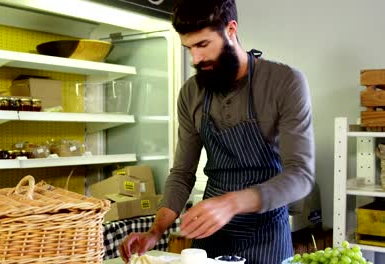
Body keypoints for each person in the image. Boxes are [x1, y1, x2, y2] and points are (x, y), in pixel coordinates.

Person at [119, 0, 315, 263]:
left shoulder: (284, 82)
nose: (195, 59)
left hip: (267, 235)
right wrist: (155, 232)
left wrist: (231, 203)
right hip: (209, 238)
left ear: (231, 29)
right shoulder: (191, 93)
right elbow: (182, 174)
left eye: (203, 45)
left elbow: (300, 174)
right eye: (189, 48)